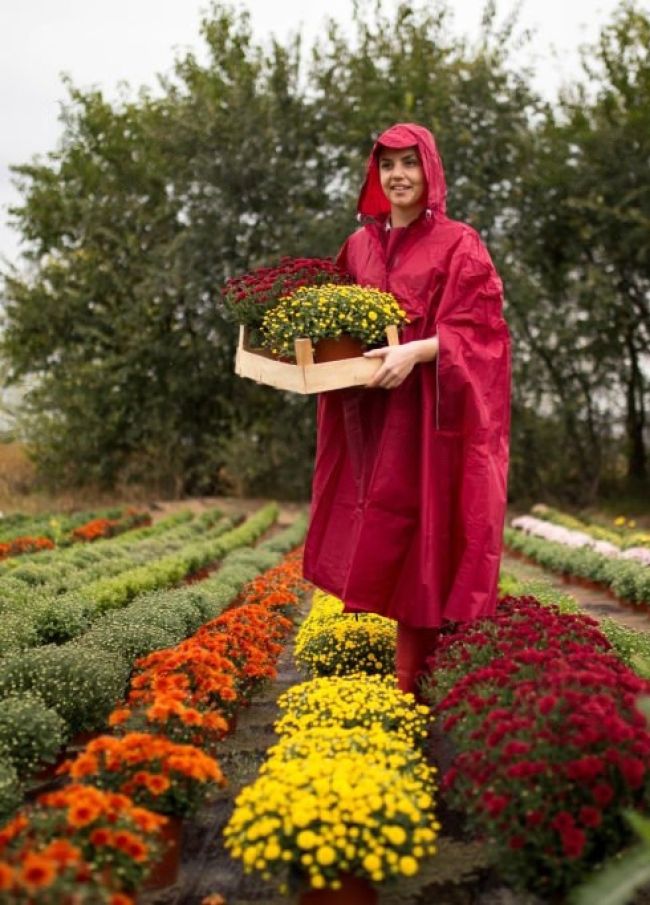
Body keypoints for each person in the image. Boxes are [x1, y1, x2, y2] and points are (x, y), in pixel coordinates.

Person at [302, 122, 511, 694]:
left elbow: (484, 331)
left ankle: (420, 680)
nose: (398, 176)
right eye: (387, 165)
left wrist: (418, 351)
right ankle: (389, 678)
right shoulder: (358, 247)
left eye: (409, 164)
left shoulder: (459, 243)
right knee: (377, 524)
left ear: (430, 171)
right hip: (370, 416)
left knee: (427, 534)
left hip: (430, 418)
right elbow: (333, 325)